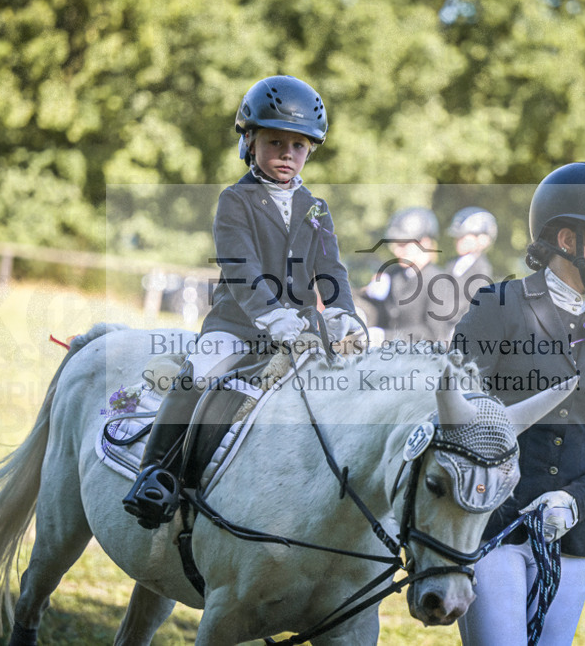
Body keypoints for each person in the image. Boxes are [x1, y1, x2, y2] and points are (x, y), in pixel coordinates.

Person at [123, 75, 359, 529]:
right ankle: (154, 473)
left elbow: (330, 268)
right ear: (249, 141)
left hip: (302, 332)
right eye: (274, 142)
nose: (287, 154)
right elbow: (240, 266)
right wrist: (273, 315)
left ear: (311, 149)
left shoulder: (316, 207)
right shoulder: (235, 200)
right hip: (237, 326)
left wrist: (343, 311)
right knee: (200, 372)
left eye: (298, 145)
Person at [452, 162, 585, 645]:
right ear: (567, 240)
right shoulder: (497, 306)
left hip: (570, 534)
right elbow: (456, 418)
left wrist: (575, 500)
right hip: (492, 525)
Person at [356, 207, 453, 344]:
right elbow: (381, 314)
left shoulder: (439, 281)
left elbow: (433, 333)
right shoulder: (393, 273)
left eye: (403, 244)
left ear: (424, 242)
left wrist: (386, 336)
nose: (397, 251)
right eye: (395, 245)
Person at [445, 206, 497, 329]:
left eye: (464, 237)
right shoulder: (451, 264)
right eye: (458, 237)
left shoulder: (482, 270)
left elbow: (470, 305)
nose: (458, 241)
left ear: (483, 239)